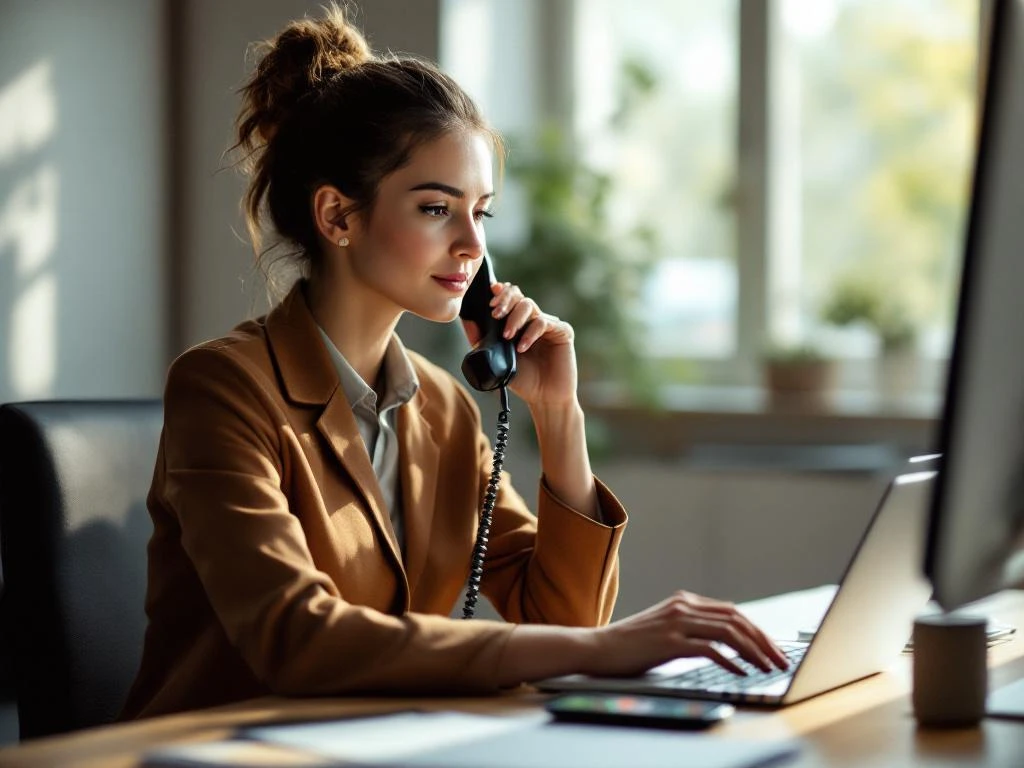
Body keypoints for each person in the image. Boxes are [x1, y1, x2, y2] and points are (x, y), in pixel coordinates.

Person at [121, 4, 787, 720]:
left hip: (384, 743)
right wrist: (605, 652)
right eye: (438, 209)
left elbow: (563, 621)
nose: (472, 244)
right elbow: (296, 638)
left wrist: (559, 415)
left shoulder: (439, 406)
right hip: (224, 750)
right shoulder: (224, 388)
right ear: (338, 217)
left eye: (482, 213)